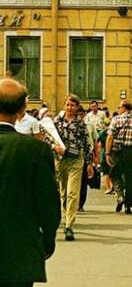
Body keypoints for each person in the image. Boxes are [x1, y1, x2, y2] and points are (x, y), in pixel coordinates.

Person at [0, 78, 61, 287]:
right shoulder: (35, 150)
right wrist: (48, 239)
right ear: (22, 109)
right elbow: (48, 202)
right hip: (20, 251)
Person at [51, 94, 93, 241]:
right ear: (64, 105)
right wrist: (54, 146)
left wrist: (89, 164)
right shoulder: (56, 121)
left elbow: (87, 143)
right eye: (68, 104)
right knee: (63, 193)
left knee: (72, 193)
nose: (70, 108)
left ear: (77, 107)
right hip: (60, 159)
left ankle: (69, 225)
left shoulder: (80, 123)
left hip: (76, 159)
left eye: (72, 105)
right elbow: (48, 137)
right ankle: (66, 214)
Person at [106, 100, 132, 214]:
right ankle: (128, 205)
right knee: (131, 178)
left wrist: (107, 153)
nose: (118, 109)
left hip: (118, 151)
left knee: (115, 174)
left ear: (123, 108)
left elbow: (110, 137)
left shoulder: (116, 119)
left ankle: (120, 195)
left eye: (119, 107)